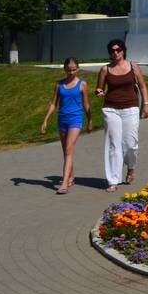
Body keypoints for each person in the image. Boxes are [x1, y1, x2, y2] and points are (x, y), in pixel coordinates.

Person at [95, 38, 148, 193]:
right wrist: (99, 91)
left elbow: (143, 86)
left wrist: (146, 104)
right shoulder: (105, 69)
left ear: (123, 50)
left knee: (130, 144)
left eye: (118, 49)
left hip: (130, 108)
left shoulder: (133, 66)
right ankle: (113, 180)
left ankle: (131, 167)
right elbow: (99, 88)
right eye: (112, 50)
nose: (116, 52)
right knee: (113, 144)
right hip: (111, 109)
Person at [40, 57, 91, 195]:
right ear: (64, 69)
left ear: (78, 69)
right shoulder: (59, 84)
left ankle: (63, 183)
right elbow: (53, 104)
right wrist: (45, 120)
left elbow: (86, 104)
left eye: (74, 69)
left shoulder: (82, 84)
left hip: (75, 119)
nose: (71, 72)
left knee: (69, 149)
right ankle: (71, 176)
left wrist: (90, 120)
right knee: (65, 151)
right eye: (69, 70)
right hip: (62, 119)